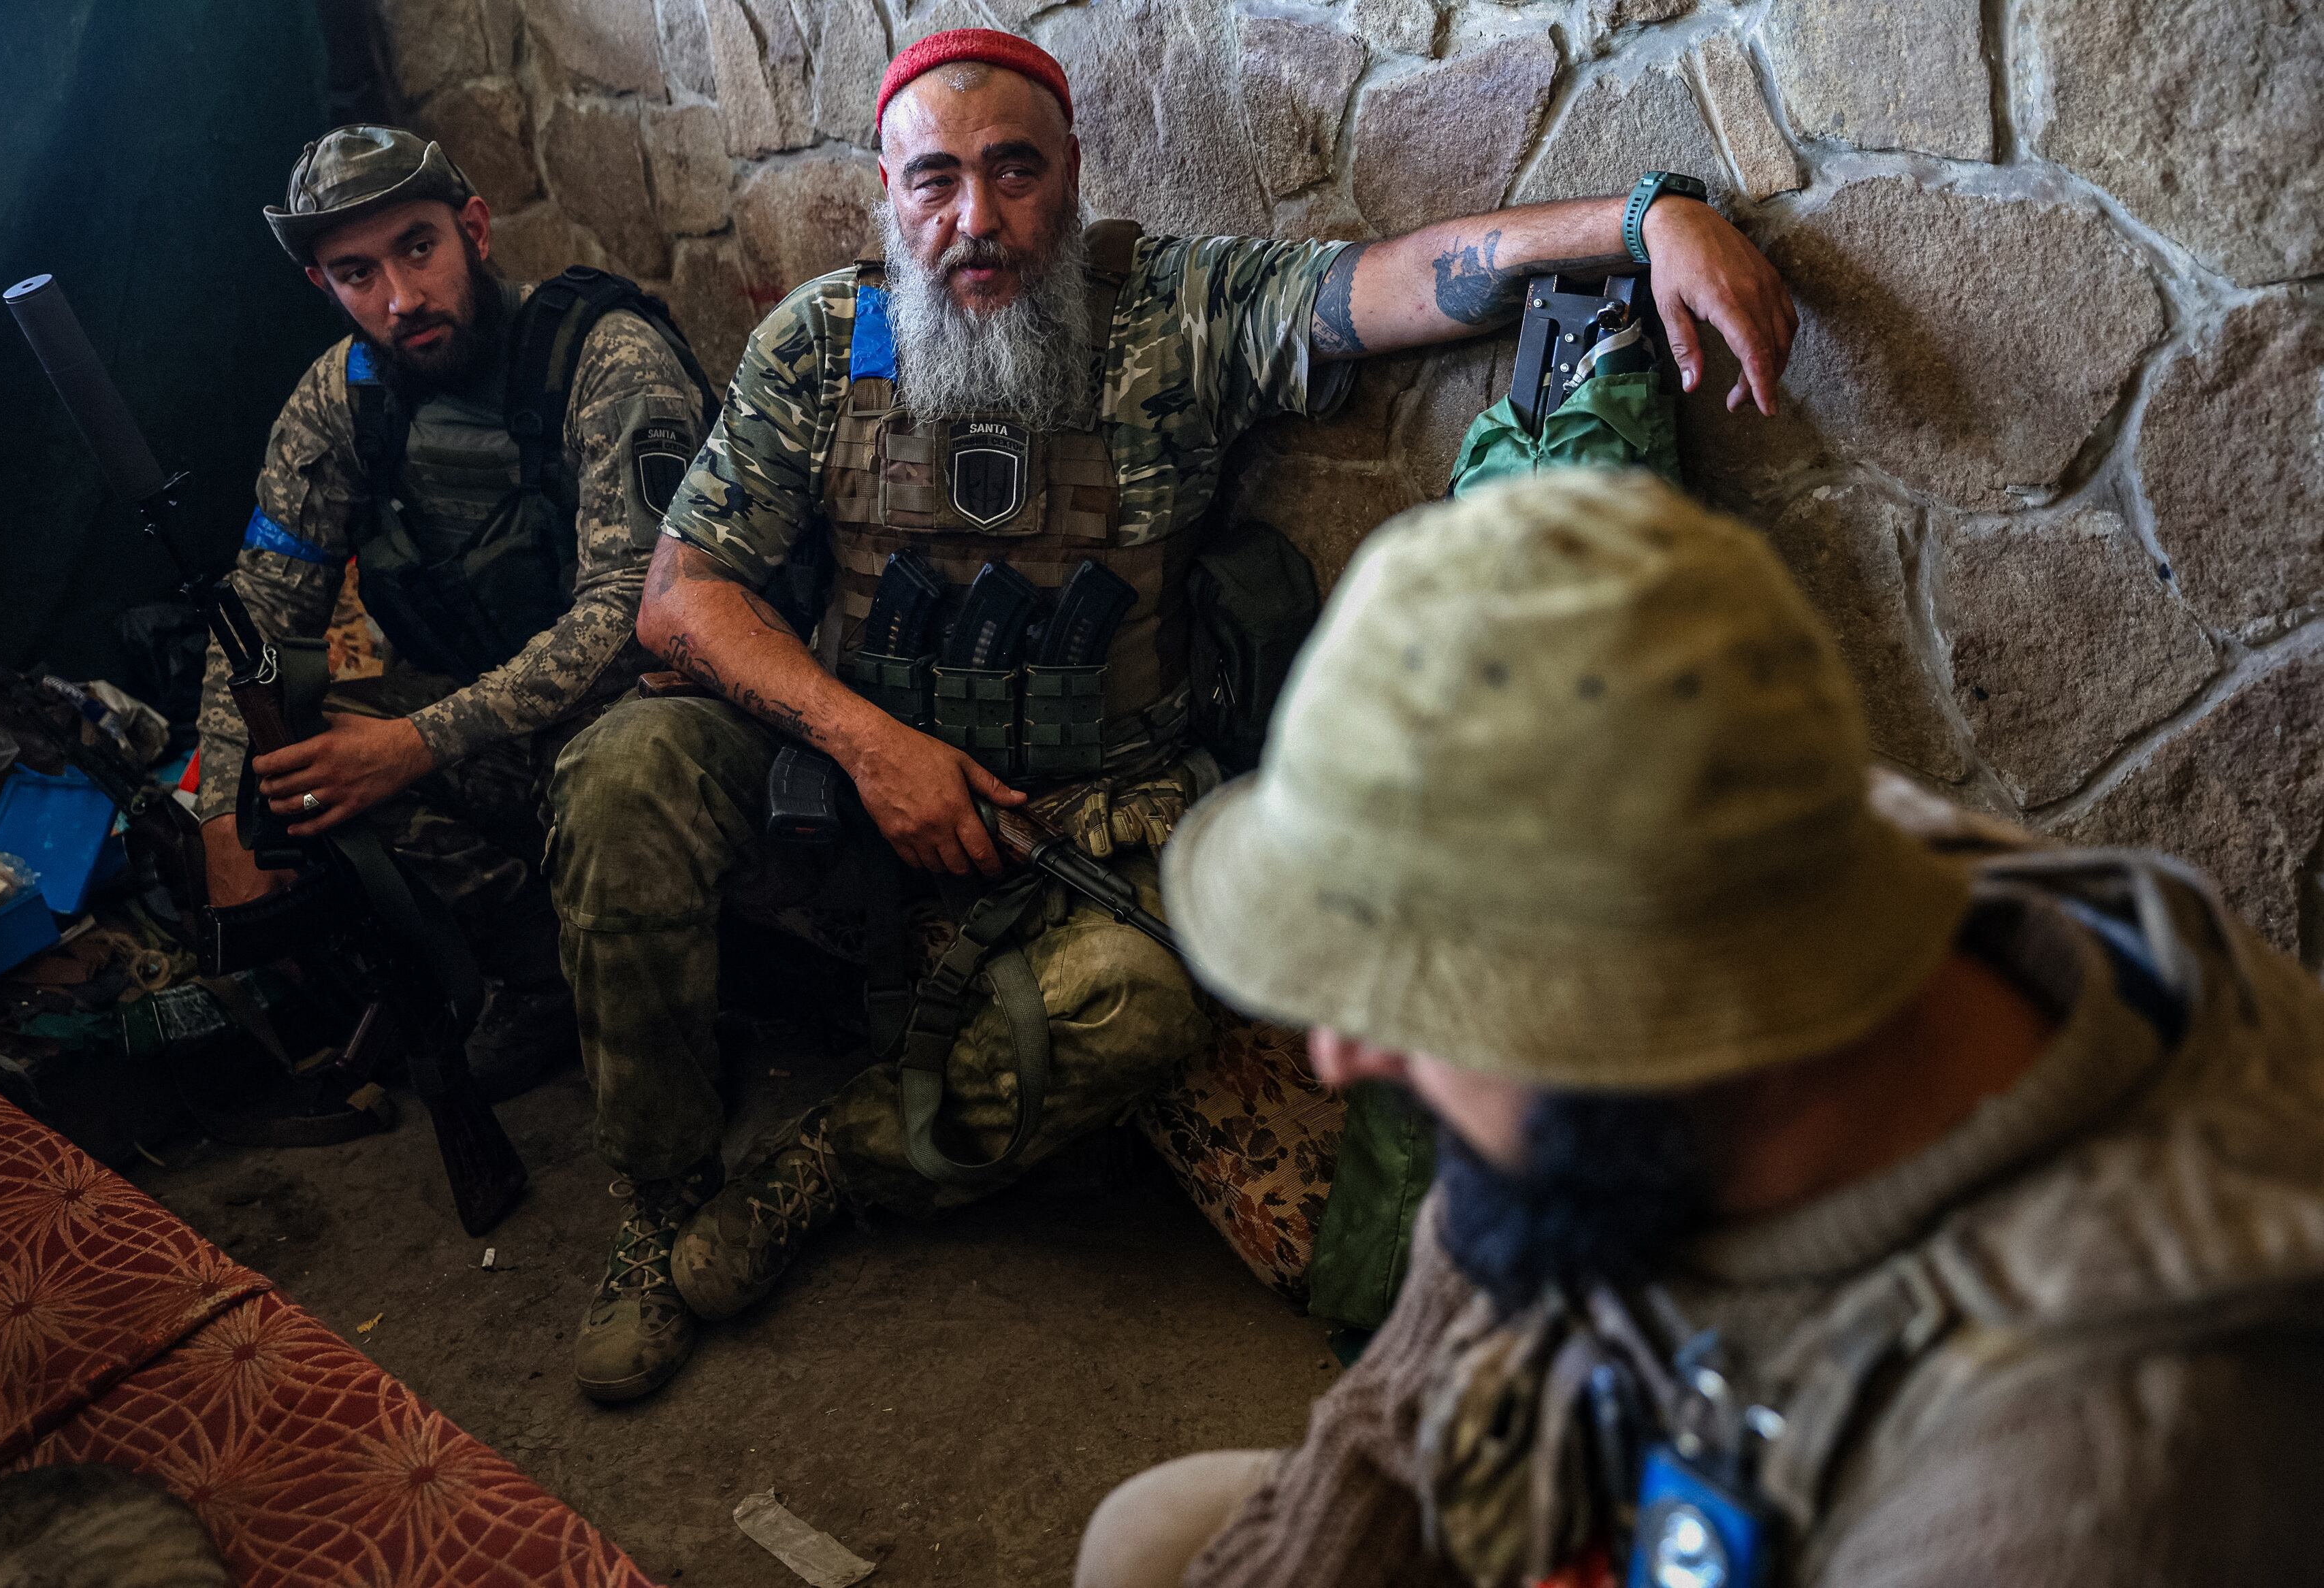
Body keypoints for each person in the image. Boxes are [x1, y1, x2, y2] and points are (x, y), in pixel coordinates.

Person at [549, 27, 1799, 1404]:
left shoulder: (1177, 312)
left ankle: (818, 1170)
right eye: (935, 180)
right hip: (847, 782)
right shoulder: (817, 343)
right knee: (626, 773)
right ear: (886, 195)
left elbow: (1404, 284)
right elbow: (680, 597)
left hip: (1081, 824)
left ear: (1072, 172)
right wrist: (868, 744)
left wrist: (1644, 218)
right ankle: (661, 1207)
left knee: (1140, 1006)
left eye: (1014, 170)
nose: (976, 218)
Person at [1072, 468, 2324, 1587]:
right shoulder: (1756, 845)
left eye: (1413, 999)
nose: (1337, 1054)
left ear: (1666, 1030)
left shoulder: (2078, 1486)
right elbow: (1437, 1356)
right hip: (1619, 1460)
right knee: (1153, 1536)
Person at [196, 126, 711, 1097]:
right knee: (292, 750)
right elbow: (261, 611)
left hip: (655, 723)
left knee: (609, 758)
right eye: (357, 273)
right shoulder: (344, 401)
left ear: (473, 228)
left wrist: (414, 743)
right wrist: (222, 811)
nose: (399, 297)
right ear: (323, 287)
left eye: (418, 248)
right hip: (497, 735)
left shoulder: (604, 356)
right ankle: (536, 963)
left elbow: (631, 613)